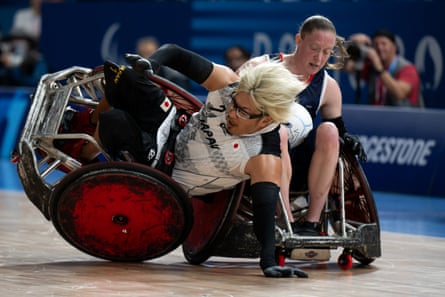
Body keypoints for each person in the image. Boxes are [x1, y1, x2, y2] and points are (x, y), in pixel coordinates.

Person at [74, 44, 312, 278]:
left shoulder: (263, 158)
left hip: (168, 173)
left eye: (242, 112)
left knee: (116, 121)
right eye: (234, 104)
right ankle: (86, 121)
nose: (231, 112)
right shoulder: (229, 85)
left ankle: (83, 155)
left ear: (265, 120)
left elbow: (264, 215)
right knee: (124, 76)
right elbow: (175, 53)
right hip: (172, 126)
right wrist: (152, 65)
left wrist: (268, 263)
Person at [241, 15, 367, 237]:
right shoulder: (260, 67)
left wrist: (348, 138)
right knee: (279, 132)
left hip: (302, 167)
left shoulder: (329, 87)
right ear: (299, 40)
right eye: (314, 48)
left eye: (327, 52)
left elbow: (337, 126)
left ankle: (312, 222)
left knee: (330, 131)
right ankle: (287, 220)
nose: (319, 58)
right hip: (256, 158)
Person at [345, 29, 423, 107]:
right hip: (376, 117)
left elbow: (399, 94)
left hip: (406, 118)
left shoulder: (408, 69)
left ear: (394, 47)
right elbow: (346, 67)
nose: (379, 48)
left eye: (383, 44)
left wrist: (379, 68)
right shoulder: (371, 66)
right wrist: (350, 44)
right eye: (376, 44)